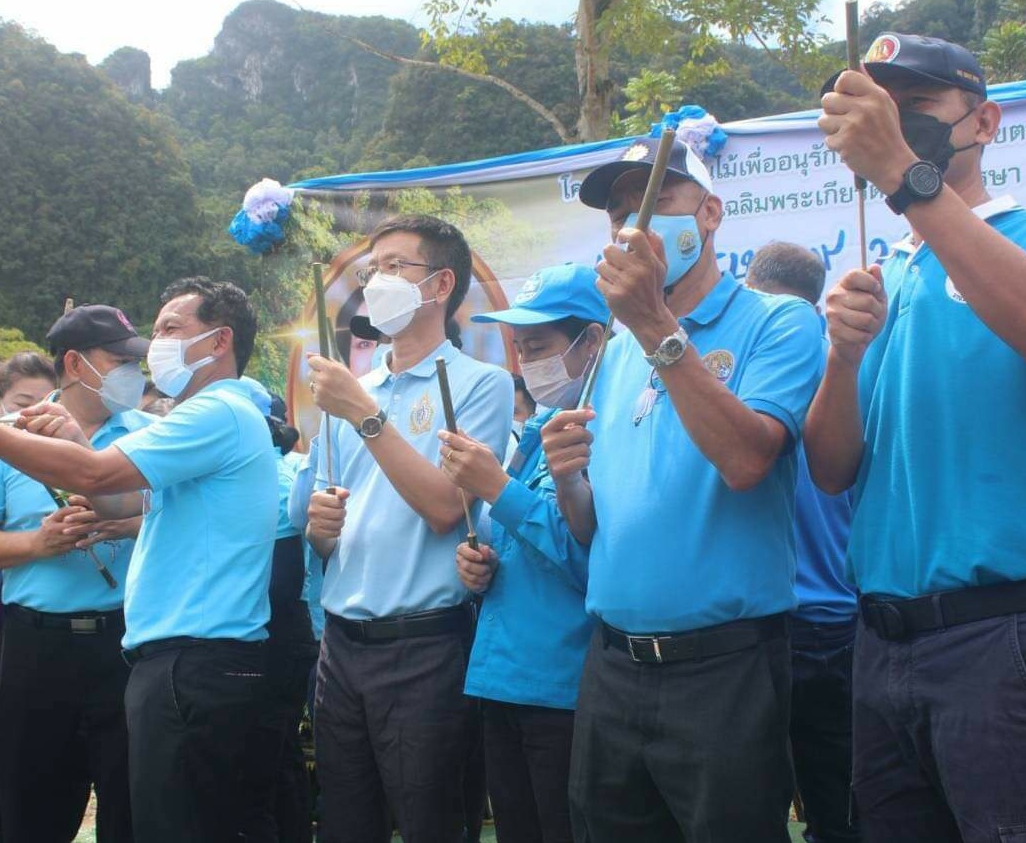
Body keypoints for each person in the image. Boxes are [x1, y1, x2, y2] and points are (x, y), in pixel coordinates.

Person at [806, 33, 1026, 841]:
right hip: (881, 643)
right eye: (882, 110)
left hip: (1006, 639)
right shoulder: (884, 275)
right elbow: (832, 468)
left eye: (916, 107)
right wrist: (842, 357)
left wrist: (903, 175)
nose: (895, 124)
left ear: (984, 122)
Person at [0, 277, 277, 843]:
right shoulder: (207, 418)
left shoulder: (216, 412)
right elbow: (118, 498)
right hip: (147, 655)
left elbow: (94, 476)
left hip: (194, 658)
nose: (155, 348)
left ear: (220, 341)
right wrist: (71, 446)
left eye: (171, 329)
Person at [541, 135, 824, 841]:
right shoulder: (613, 353)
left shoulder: (777, 321)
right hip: (611, 663)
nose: (631, 224)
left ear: (710, 213)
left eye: (656, 200)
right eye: (617, 213)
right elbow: (592, 525)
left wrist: (657, 326)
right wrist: (568, 477)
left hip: (724, 668)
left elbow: (746, 461)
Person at [300, 214, 512, 843]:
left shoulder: (479, 384)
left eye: (395, 266)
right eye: (372, 271)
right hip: (340, 644)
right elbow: (325, 527)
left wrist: (366, 415)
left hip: (425, 649)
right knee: (345, 823)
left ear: (441, 284)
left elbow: (447, 508)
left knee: (431, 824)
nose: (376, 282)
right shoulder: (351, 392)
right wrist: (319, 528)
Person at [0, 307, 153, 843]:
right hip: (35, 648)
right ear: (75, 364)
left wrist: (125, 523)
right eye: (119, 361)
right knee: (32, 812)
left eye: (135, 362)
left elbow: (182, 521)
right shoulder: (9, 440)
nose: (133, 374)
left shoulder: (150, 435)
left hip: (128, 643)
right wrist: (37, 544)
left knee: (132, 809)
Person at [438, 263, 605, 843]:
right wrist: (479, 565)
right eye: (520, 346)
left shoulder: (604, 428)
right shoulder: (537, 430)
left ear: (592, 340)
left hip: (564, 687)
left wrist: (496, 488)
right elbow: (518, 542)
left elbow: (590, 559)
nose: (526, 360)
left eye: (539, 346)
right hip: (502, 678)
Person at [745, 242, 859, 843]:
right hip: (835, 618)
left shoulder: (750, 361)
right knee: (837, 804)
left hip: (774, 622)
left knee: (747, 804)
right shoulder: (844, 361)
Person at [242, 386, 317, 843]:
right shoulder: (276, 470)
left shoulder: (272, 479)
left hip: (272, 637)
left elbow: (280, 588)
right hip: (279, 635)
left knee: (266, 760)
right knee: (278, 755)